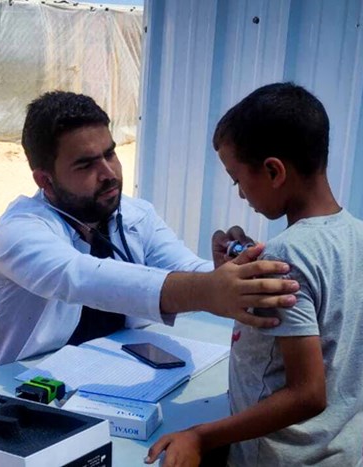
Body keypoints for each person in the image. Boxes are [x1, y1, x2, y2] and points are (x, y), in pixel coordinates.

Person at [0, 90, 300, 371]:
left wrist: (224, 272)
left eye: (110, 154)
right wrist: (210, 289)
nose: (109, 173)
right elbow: (84, 277)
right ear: (45, 181)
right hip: (21, 388)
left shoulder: (133, 213)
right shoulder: (20, 232)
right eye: (86, 165)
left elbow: (184, 269)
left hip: (112, 372)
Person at [146, 83, 363, 466]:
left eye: (236, 178)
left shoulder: (288, 255)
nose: (240, 193)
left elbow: (308, 393)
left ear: (274, 170)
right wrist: (230, 278)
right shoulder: (356, 234)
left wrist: (199, 436)